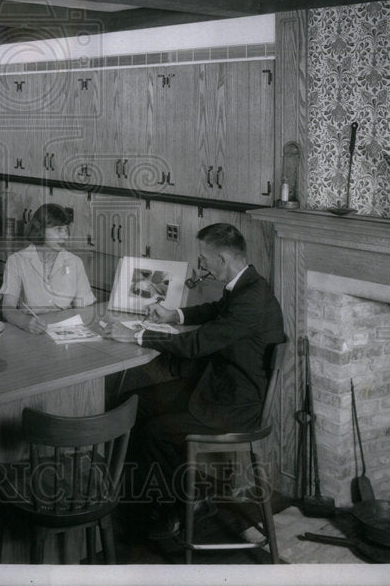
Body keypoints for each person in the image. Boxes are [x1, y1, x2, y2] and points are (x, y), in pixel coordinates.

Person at [108, 222, 285, 540]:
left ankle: (180, 505)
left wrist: (137, 334)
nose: (200, 264)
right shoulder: (247, 285)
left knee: (152, 432)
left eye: (204, 258)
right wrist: (175, 315)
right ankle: (188, 492)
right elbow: (215, 310)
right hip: (222, 387)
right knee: (134, 404)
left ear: (224, 259)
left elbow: (196, 345)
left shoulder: (250, 298)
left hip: (236, 403)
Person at [0, 203, 96, 333]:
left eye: (66, 230)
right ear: (40, 229)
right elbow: (8, 308)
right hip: (29, 333)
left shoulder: (75, 262)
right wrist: (26, 323)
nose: (65, 236)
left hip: (65, 333)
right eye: (58, 230)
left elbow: (85, 308)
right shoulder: (17, 261)